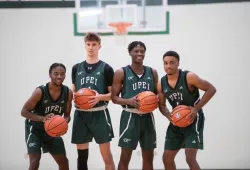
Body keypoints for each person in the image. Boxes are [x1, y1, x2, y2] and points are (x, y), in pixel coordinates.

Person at [157, 51, 217, 170]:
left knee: (190, 157)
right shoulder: (161, 83)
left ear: (178, 63)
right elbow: (162, 105)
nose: (168, 66)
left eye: (172, 63)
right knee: (167, 158)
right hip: (176, 121)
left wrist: (196, 108)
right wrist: (169, 115)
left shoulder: (189, 77)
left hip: (193, 119)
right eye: (165, 63)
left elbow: (211, 89)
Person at [111, 41, 159, 170]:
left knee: (149, 156)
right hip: (130, 117)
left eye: (142, 51)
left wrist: (155, 100)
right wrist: (129, 101)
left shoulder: (152, 72)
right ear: (130, 53)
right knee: (125, 156)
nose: (139, 54)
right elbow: (114, 98)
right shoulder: (121, 72)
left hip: (148, 117)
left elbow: (158, 94)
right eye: (136, 51)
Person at [71, 32, 115, 170]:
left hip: (99, 114)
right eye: (88, 44)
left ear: (99, 46)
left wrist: (99, 97)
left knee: (106, 156)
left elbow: (113, 94)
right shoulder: (76, 68)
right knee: (82, 158)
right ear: (85, 46)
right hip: (81, 114)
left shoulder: (106, 68)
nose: (91, 47)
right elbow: (73, 92)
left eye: (94, 44)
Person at [21, 63, 73, 170]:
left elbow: (67, 115)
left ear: (65, 76)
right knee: (35, 161)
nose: (59, 76)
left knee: (64, 163)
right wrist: (42, 119)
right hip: (35, 130)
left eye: (62, 74)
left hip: (52, 132)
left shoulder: (68, 92)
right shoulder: (40, 92)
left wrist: (64, 122)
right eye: (56, 74)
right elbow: (24, 112)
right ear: (50, 75)